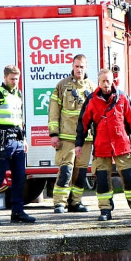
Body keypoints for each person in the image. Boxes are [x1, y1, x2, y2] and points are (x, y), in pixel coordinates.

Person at [76, 68, 131, 221]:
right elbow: (83, 123)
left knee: (130, 178)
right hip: (101, 147)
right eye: (103, 81)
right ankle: (105, 210)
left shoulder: (122, 97)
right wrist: (79, 144)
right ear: (99, 82)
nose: (106, 84)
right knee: (102, 180)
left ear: (112, 80)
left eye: (108, 81)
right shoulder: (92, 100)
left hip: (122, 145)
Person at [0, 65, 36, 226]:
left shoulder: (18, 94)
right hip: (3, 141)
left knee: (19, 178)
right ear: (5, 78)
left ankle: (17, 212)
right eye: (12, 79)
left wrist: (23, 140)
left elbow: (19, 120)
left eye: (16, 79)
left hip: (17, 141)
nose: (15, 82)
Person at [48, 54, 96, 214]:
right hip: (67, 137)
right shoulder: (62, 85)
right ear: (72, 66)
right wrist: (53, 133)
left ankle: (75, 202)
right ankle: (59, 204)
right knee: (66, 171)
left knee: (81, 172)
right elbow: (53, 111)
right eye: (76, 66)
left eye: (82, 66)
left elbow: (96, 115)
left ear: (86, 67)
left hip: (86, 139)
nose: (79, 69)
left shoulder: (92, 87)